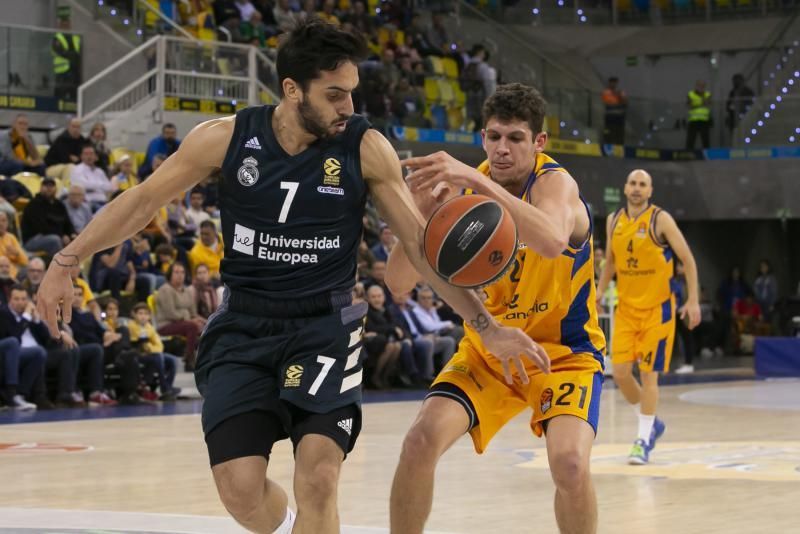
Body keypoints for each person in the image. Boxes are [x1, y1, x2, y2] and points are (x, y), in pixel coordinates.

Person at [35, 21, 544, 534]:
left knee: (319, 477)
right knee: (240, 492)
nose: (347, 106)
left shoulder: (365, 147)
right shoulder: (226, 137)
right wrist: (67, 260)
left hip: (324, 327)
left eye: (351, 93)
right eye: (334, 95)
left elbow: (418, 244)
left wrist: (486, 325)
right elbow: (143, 200)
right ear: (292, 90)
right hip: (244, 326)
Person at [387, 83, 603, 534]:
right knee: (419, 441)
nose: (502, 149)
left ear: (538, 142)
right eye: (494, 137)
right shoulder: (460, 191)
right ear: (482, 138)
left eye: (515, 138)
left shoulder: (555, 183)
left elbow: (550, 241)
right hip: (491, 349)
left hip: (563, 353)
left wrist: (477, 181)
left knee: (569, 466)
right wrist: (422, 208)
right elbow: (398, 283)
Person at [596, 169, 701, 465]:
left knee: (648, 374)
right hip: (627, 310)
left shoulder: (660, 220)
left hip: (659, 310)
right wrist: (599, 291)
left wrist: (692, 300)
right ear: (625, 188)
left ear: (650, 191)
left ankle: (642, 440)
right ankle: (651, 421)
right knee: (619, 374)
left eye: (642, 184)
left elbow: (688, 260)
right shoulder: (613, 221)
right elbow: (611, 264)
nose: (637, 188)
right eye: (632, 183)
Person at [686, 80, 711, 150]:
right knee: (691, 139)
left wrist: (696, 103)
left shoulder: (707, 94)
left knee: (705, 139)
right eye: (699, 85)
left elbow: (707, 104)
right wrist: (701, 103)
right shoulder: (691, 94)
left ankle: (707, 154)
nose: (701, 87)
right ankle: (688, 153)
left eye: (703, 86)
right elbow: (689, 106)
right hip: (693, 120)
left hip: (704, 120)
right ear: (696, 86)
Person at [602, 77, 627, 145]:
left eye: (615, 83)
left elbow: (625, 102)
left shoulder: (620, 92)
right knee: (608, 131)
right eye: (612, 83)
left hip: (619, 117)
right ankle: (607, 144)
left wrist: (619, 97)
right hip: (610, 116)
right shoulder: (606, 92)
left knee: (619, 132)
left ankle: (619, 145)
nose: (613, 84)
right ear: (609, 83)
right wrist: (617, 100)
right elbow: (608, 102)